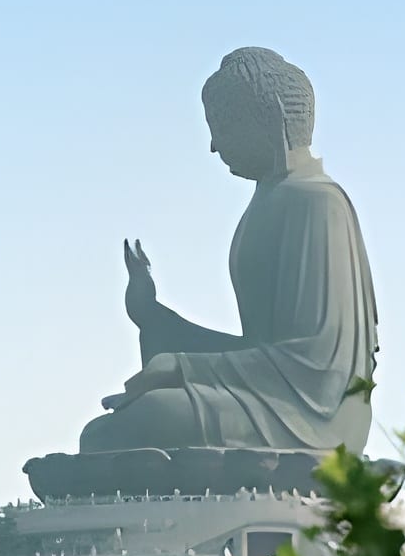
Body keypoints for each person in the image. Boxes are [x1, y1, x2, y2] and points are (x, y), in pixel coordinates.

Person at [78, 47, 379, 457]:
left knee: (142, 422)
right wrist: (154, 317)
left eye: (223, 126)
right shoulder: (269, 201)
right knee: (106, 434)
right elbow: (259, 351)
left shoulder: (316, 203)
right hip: (271, 398)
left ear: (268, 116)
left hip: (312, 418)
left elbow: (318, 368)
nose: (214, 146)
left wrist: (182, 366)